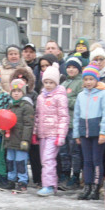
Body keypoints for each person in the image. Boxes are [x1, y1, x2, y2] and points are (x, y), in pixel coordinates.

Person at [73, 65, 105, 200]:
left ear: (97, 79)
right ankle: (87, 185)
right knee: (87, 161)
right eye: (86, 79)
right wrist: (77, 133)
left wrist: (103, 132)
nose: (88, 82)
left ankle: (96, 186)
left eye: (91, 79)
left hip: (97, 132)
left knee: (97, 160)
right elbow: (76, 115)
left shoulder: (103, 94)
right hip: (85, 132)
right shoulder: (81, 95)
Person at [34, 64, 69, 197]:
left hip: (54, 134)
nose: (48, 85)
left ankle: (48, 185)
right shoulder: (40, 97)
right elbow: (38, 116)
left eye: (51, 82)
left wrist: (61, 135)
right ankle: (50, 184)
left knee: (48, 159)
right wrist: (35, 131)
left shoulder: (60, 97)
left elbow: (63, 117)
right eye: (46, 82)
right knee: (44, 160)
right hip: (43, 133)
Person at [2, 79, 36, 193]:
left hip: (21, 139)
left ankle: (22, 181)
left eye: (19, 91)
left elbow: (28, 124)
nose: (16, 93)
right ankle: (11, 179)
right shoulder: (10, 105)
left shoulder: (26, 106)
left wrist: (25, 140)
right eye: (14, 91)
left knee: (20, 161)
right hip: (10, 139)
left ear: (23, 92)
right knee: (10, 161)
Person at [58, 56, 84, 191]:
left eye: (74, 67)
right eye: (69, 67)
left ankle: (75, 176)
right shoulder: (63, 84)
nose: (71, 69)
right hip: (63, 124)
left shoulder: (80, 83)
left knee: (75, 151)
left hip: (74, 123)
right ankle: (65, 174)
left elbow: (81, 100)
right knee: (63, 151)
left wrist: (66, 101)